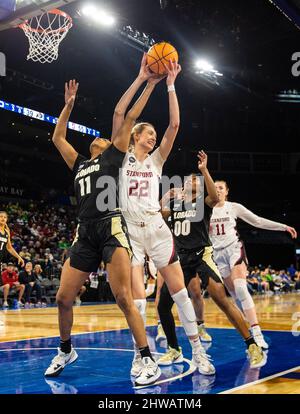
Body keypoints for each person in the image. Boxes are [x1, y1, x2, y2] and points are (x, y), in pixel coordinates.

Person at [45, 73, 164, 386]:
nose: (100, 137)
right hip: (85, 232)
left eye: (104, 136)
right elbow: (57, 138)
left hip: (111, 227)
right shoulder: (81, 163)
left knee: (123, 297)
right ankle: (66, 350)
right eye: (96, 137)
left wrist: (148, 82)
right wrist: (68, 106)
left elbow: (130, 114)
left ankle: (147, 358)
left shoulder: (114, 155)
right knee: (62, 298)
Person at [112, 58, 215, 377]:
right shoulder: (120, 154)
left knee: (180, 293)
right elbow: (120, 113)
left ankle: (198, 352)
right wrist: (143, 78)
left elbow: (174, 126)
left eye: (154, 134)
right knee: (137, 299)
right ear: (135, 136)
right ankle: (140, 356)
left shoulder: (156, 162)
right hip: (130, 234)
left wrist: (170, 84)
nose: (154, 137)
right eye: (148, 133)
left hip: (157, 231)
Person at [158, 152, 264, 368]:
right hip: (180, 260)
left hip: (202, 256)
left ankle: (252, 344)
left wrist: (204, 170)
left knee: (221, 298)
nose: (192, 181)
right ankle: (174, 349)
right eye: (190, 179)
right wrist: (165, 198)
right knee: (162, 306)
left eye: (195, 180)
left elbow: (215, 198)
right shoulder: (177, 205)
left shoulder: (203, 203)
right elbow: (159, 216)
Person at [210, 180, 297, 349]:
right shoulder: (206, 209)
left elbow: (257, 221)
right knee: (235, 297)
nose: (217, 190)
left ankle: (257, 332)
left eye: (220, 187)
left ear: (227, 191)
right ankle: (249, 331)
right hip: (217, 255)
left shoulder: (233, 207)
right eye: (214, 187)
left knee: (241, 288)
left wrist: (283, 227)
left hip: (234, 249)